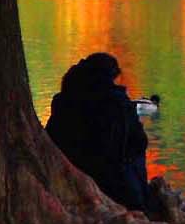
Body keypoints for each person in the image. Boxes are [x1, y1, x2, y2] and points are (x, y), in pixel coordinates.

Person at [45, 52, 150, 212]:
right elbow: (140, 141)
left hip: (71, 169)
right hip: (113, 181)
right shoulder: (117, 103)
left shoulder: (63, 99)